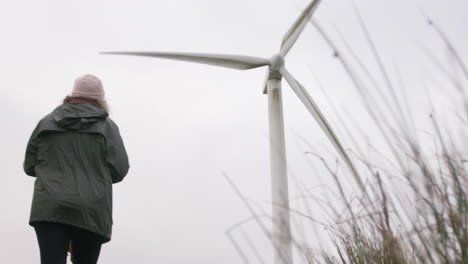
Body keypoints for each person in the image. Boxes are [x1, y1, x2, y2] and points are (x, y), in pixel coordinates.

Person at [23, 74, 130, 264]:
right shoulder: (108, 127)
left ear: (72, 95)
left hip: (50, 206)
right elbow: (119, 169)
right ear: (100, 100)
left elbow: (29, 165)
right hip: (90, 208)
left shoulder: (47, 122)